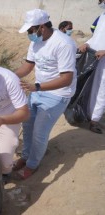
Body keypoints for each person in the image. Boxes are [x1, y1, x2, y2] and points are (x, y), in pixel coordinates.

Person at [14, 9, 77, 179]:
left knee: (39, 133)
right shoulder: (36, 42)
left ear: (41, 27)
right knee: (27, 126)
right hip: (38, 90)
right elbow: (28, 66)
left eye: (30, 30)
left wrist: (37, 87)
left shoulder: (64, 44)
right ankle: (26, 157)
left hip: (58, 93)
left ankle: (33, 164)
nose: (29, 34)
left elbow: (67, 79)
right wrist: (9, 76)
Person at [79, 0, 105, 134]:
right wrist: (87, 43)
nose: (100, 2)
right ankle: (87, 114)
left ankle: (94, 120)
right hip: (94, 58)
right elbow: (97, 37)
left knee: (101, 90)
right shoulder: (102, 16)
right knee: (88, 86)